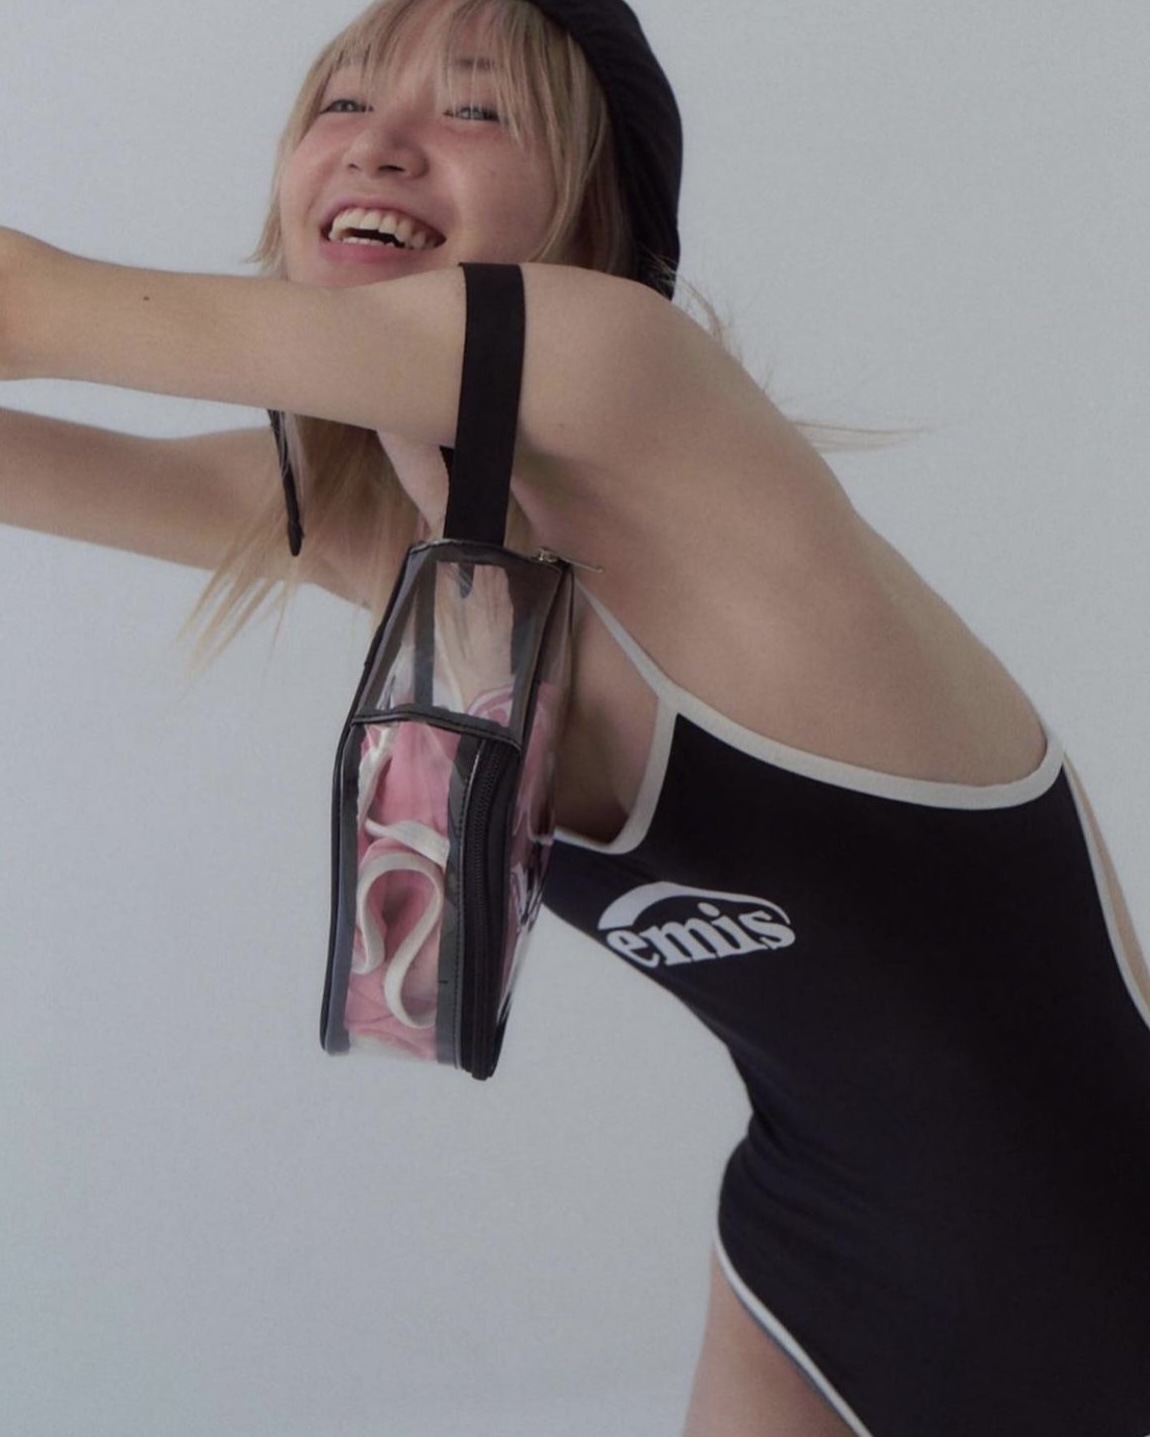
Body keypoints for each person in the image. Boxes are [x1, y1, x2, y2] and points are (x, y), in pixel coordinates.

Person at [1, 0, 1148, 1431]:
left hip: (1105, 1258)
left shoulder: (629, 375)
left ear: (599, 210)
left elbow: (26, 304)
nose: (381, 146)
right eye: (340, 103)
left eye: (476, 109)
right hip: (807, 1246)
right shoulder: (391, 521)